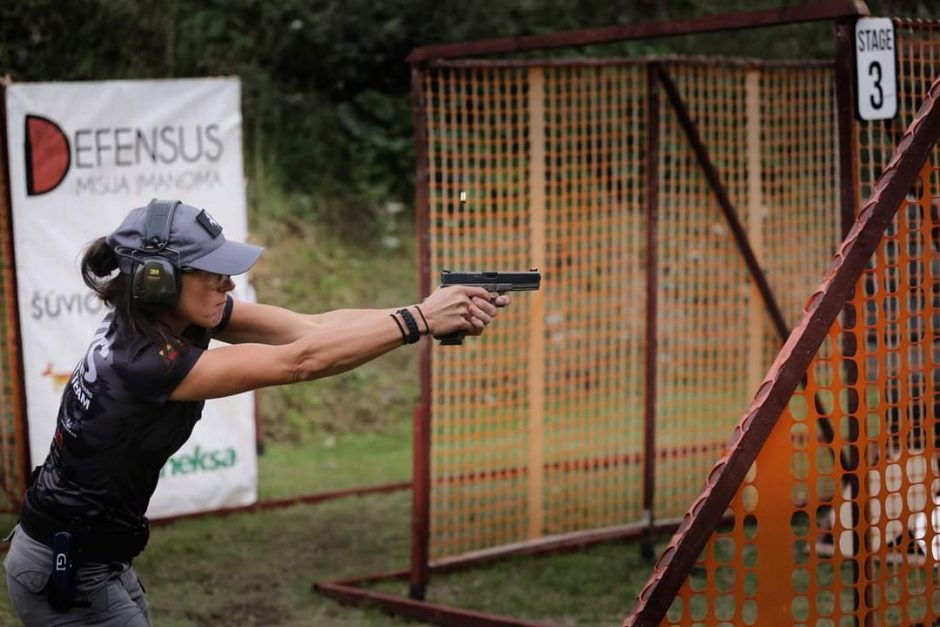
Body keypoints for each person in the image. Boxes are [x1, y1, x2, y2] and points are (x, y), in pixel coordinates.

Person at [3, 199, 509, 626]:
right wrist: (418, 320)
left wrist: (426, 310)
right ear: (157, 280)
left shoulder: (164, 320)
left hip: (93, 557)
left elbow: (312, 327)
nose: (228, 283)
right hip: (65, 566)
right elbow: (300, 362)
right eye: (211, 271)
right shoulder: (140, 362)